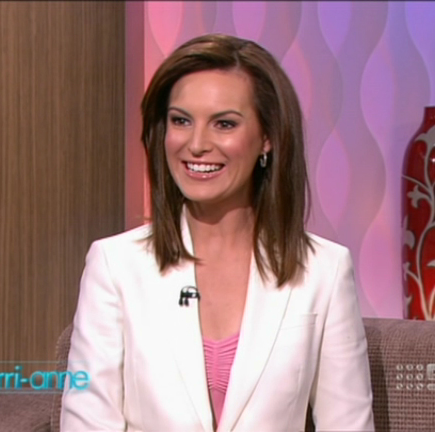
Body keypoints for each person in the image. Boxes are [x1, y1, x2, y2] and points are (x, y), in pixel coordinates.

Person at [60, 33, 374, 432]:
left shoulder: (324, 270)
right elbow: (87, 422)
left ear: (267, 138)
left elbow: (347, 425)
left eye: (224, 124)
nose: (196, 144)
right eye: (181, 121)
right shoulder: (115, 265)